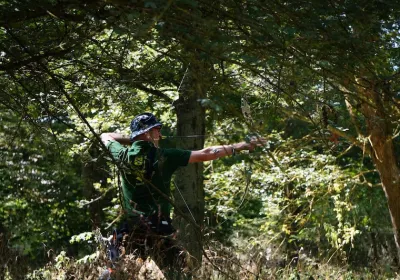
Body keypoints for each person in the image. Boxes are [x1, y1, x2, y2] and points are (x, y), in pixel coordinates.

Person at [100, 112, 265, 277]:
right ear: (147, 133)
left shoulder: (121, 155)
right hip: (159, 227)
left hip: (132, 227)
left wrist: (134, 140)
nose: (160, 133)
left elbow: (105, 135)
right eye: (156, 129)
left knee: (116, 272)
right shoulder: (164, 156)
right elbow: (207, 153)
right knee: (179, 275)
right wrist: (242, 146)